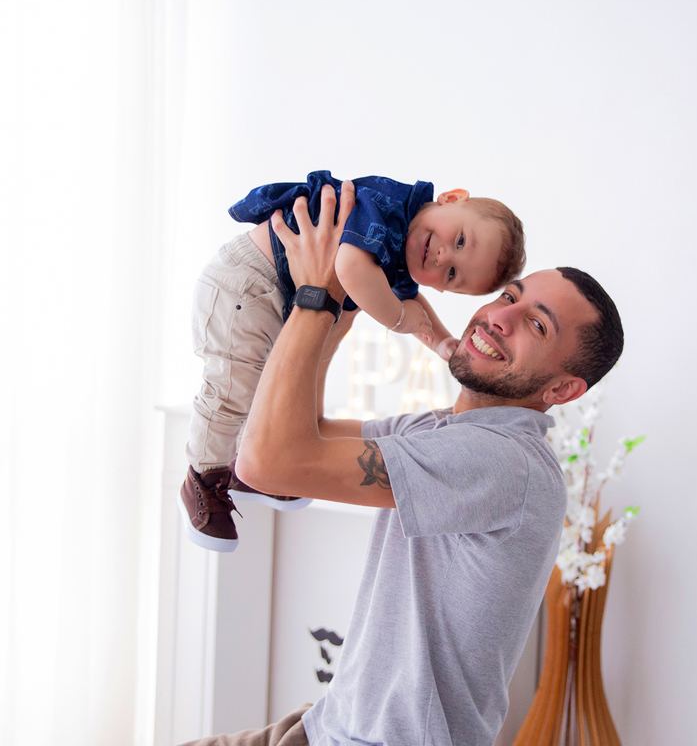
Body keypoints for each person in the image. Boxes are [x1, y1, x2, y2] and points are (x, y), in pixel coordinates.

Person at [179, 181, 624, 746]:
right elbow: (299, 434)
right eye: (510, 297)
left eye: (538, 325)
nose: (501, 318)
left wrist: (316, 293)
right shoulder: (440, 431)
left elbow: (266, 461)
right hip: (327, 725)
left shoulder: (504, 463)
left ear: (563, 389)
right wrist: (340, 291)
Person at [180, 171, 527, 553]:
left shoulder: (402, 248)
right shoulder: (386, 208)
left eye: (451, 274)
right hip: (246, 282)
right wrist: (397, 318)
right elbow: (350, 270)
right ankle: (202, 475)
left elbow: (410, 303)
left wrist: (441, 340)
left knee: (265, 392)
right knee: (233, 388)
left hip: (271, 292)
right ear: (451, 197)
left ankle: (248, 471)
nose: (445, 255)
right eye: (460, 239)